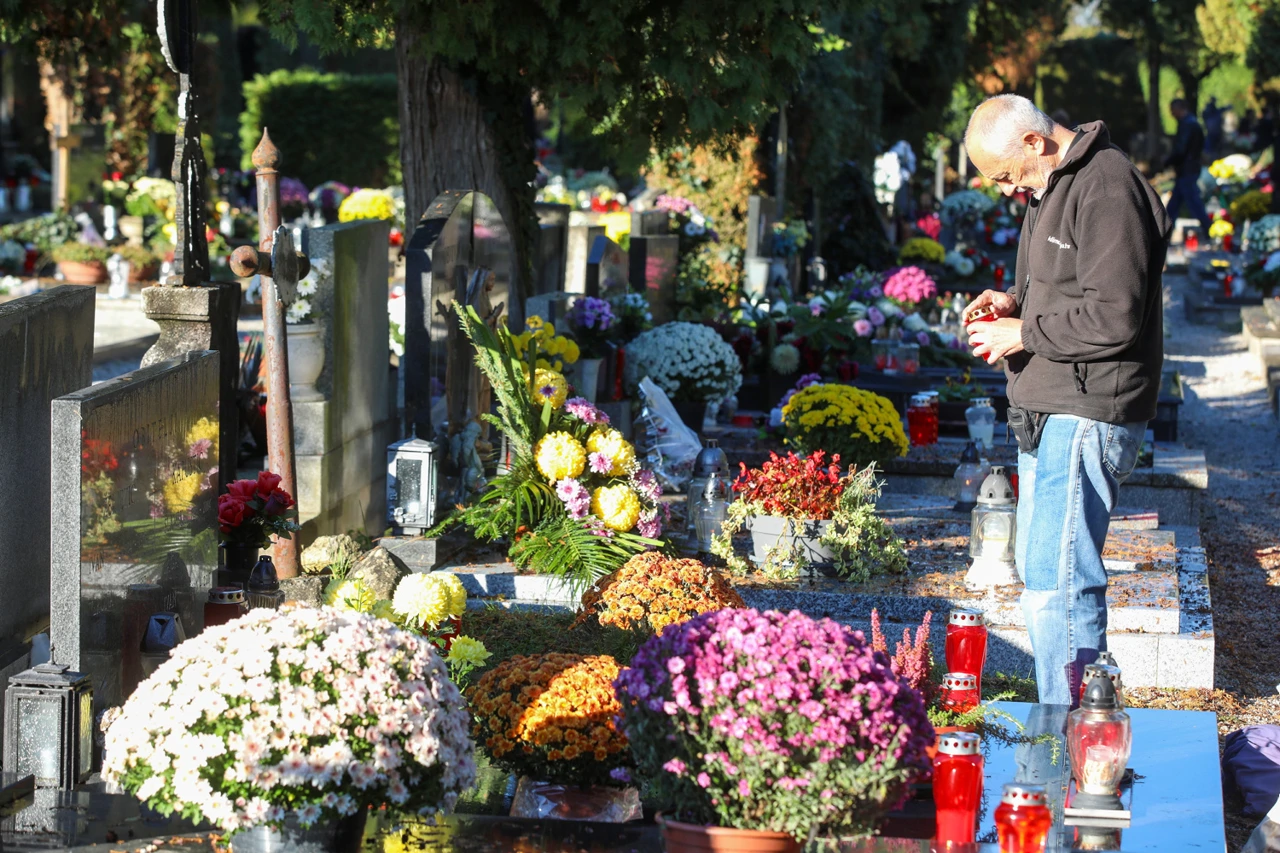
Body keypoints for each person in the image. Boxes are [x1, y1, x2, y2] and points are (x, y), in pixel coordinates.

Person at [959, 95, 1171, 706]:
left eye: (1004, 175)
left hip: (1088, 408)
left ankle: (1075, 733)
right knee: (1044, 576)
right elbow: (1069, 293)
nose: (1004, 190)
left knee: (1060, 584)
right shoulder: (1052, 186)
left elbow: (1115, 315)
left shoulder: (1106, 186)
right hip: (1051, 407)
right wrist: (1012, 303)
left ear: (1034, 142)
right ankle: (1070, 720)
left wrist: (1022, 332)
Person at [1164, 98, 1210, 232]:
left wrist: (1168, 161)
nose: (1172, 114)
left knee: (1193, 202)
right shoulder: (1191, 122)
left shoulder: (1188, 125)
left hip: (1187, 169)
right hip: (1189, 168)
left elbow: (1181, 150)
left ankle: (1209, 228)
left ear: (1179, 109)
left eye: (1173, 111)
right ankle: (1164, 230)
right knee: (1175, 203)